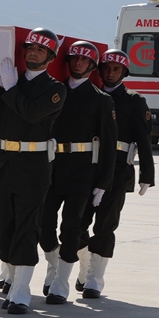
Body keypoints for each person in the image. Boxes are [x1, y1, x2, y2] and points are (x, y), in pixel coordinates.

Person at [0, 28, 66, 314]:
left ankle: (22, 290)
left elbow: (31, 113)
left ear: (50, 57)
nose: (32, 53)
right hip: (2, 162)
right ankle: (11, 278)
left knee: (27, 226)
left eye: (40, 50)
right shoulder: (10, 82)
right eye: (29, 48)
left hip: (33, 165)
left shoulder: (55, 89)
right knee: (0, 226)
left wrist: (11, 88)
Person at [37, 41, 116, 304]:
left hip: (83, 171)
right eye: (74, 59)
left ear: (92, 66)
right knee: (43, 224)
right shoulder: (54, 92)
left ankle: (61, 282)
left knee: (71, 226)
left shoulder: (100, 100)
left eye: (84, 61)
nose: (78, 63)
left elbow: (107, 144)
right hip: (52, 166)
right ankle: (54, 265)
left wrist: (103, 183)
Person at [75, 50, 155, 298]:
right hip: (87, 167)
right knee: (75, 224)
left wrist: (147, 174)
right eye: (106, 68)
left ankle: (95, 279)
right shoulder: (89, 96)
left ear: (124, 73)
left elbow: (144, 139)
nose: (110, 73)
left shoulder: (134, 100)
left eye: (116, 69)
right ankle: (85, 265)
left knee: (105, 226)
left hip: (118, 171)